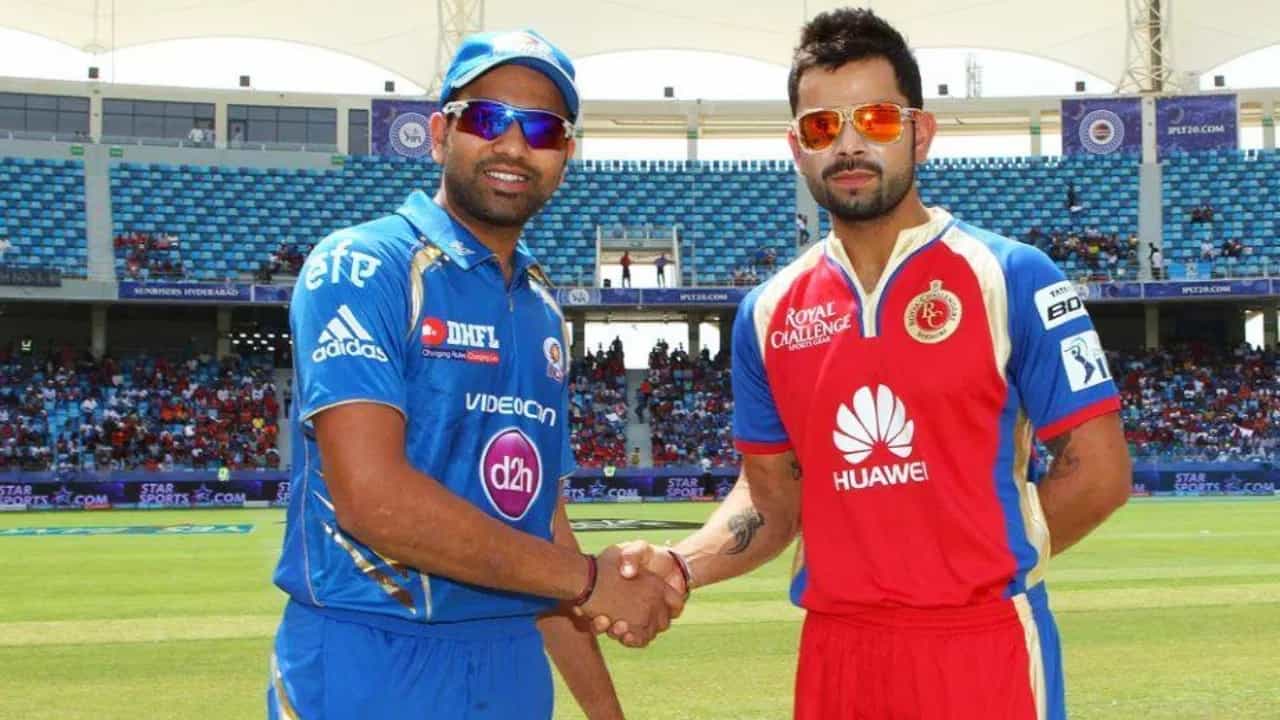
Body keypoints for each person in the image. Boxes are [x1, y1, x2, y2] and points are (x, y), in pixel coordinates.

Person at [597, 9, 1131, 720]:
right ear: (797, 147)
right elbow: (771, 499)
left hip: (982, 644)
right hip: (838, 652)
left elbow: (1100, 472)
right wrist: (681, 564)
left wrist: (968, 567)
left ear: (920, 131)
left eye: (876, 120)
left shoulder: (1012, 275)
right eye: (823, 127)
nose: (849, 144)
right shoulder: (767, 312)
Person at [267, 29, 681, 720]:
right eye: (487, 119)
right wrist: (590, 581)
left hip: (510, 663)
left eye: (543, 130)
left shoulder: (543, 309)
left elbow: (540, 531)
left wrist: (607, 712)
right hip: (370, 652)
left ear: (565, 156)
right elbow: (375, 502)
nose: (514, 146)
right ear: (439, 135)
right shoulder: (363, 265)